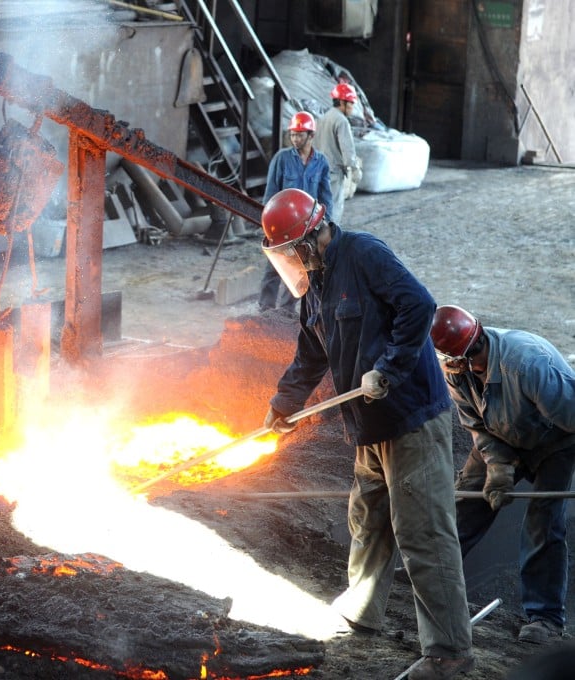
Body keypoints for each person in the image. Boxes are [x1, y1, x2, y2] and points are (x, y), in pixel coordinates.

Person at [259, 188, 473, 680]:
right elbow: (311, 353)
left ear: (312, 235)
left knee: (423, 531)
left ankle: (449, 652)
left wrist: (389, 368)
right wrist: (283, 404)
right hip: (368, 425)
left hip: (410, 416)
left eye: (292, 250)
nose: (291, 260)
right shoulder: (312, 285)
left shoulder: (365, 254)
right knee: (368, 519)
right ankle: (361, 609)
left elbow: (419, 307)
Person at [430, 304, 575, 645]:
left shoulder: (529, 365)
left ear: (467, 353)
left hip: (555, 442)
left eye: (452, 363)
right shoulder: (458, 369)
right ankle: (429, 579)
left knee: (542, 522)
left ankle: (546, 618)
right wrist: (497, 467)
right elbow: (475, 424)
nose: (449, 369)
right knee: (465, 501)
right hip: (501, 436)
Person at [257, 111, 332, 313]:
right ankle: (265, 308)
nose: (295, 139)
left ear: (311, 136)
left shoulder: (321, 162)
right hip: (283, 225)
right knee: (274, 266)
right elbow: (271, 194)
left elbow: (326, 196)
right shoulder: (281, 159)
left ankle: (287, 309)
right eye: (292, 134)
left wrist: (327, 226)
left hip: (308, 227)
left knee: (302, 267)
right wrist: (268, 226)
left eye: (299, 135)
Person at [313, 82, 358, 224]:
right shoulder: (341, 121)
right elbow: (347, 149)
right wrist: (354, 168)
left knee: (319, 209)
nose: (352, 107)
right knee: (333, 210)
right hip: (333, 172)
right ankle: (330, 241)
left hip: (317, 170)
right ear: (342, 102)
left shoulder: (323, 118)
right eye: (351, 103)